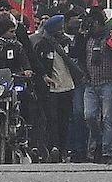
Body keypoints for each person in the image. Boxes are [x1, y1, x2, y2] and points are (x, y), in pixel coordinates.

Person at [33, 15, 83, 163]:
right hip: (52, 88)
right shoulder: (42, 45)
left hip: (68, 87)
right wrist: (44, 76)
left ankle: (62, 149)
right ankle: (51, 148)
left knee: (64, 119)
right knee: (51, 120)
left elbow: (75, 56)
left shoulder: (67, 43)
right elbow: (38, 64)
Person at [81, 9, 112, 163]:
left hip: (108, 84)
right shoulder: (85, 39)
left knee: (108, 118)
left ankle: (107, 151)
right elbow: (78, 55)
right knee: (89, 115)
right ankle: (98, 141)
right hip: (90, 84)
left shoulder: (110, 38)